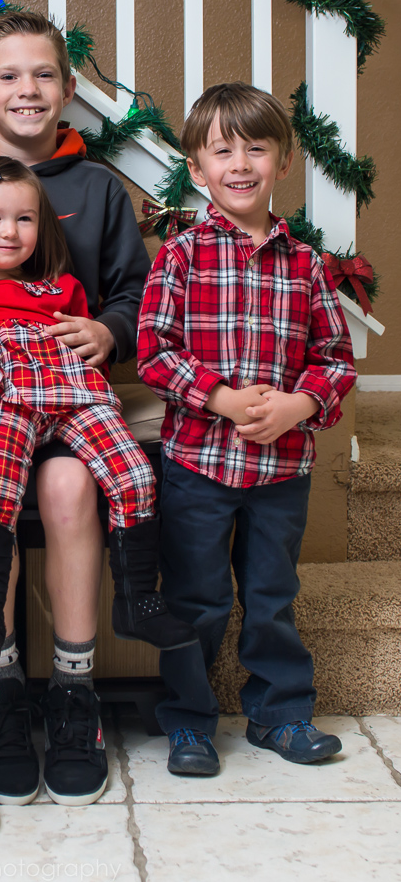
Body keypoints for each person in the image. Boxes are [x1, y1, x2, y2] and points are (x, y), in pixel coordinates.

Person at [0, 8, 197, 807]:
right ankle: (0, 691)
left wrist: (108, 331)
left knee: (74, 488)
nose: (28, 89)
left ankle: (76, 694)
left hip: (72, 396)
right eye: (9, 75)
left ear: (70, 88)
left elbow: (137, 298)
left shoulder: (99, 188)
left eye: (44, 74)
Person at [137, 82, 357, 778]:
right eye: (222, 151)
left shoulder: (307, 264)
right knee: (196, 600)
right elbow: (154, 352)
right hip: (198, 466)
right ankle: (188, 719)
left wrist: (300, 405)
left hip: (282, 472)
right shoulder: (181, 255)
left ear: (283, 162)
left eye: (256, 149)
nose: (240, 164)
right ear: (197, 169)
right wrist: (222, 399)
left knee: (271, 597)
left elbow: (335, 359)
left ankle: (279, 713)